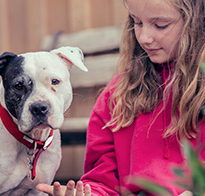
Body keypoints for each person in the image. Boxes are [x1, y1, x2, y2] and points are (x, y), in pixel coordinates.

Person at [37, 0, 205, 195]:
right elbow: (104, 182)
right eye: (137, 22)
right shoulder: (115, 97)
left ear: (198, 22)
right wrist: (88, 193)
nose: (144, 38)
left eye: (160, 25)